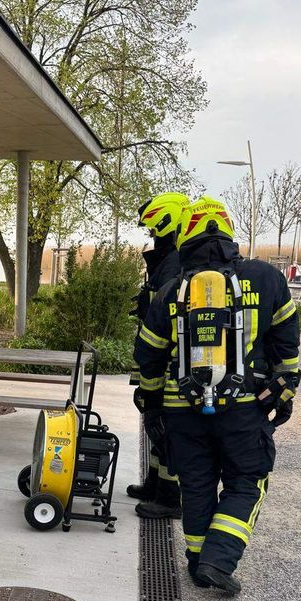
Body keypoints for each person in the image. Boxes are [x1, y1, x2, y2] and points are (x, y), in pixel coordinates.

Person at [134, 196, 300, 594]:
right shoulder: (266, 278)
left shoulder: (174, 289)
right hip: (245, 405)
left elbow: (148, 354)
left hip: (182, 408)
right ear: (229, 233)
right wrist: (286, 386)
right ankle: (217, 560)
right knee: (247, 480)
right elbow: (287, 339)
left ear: (186, 236)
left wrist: (153, 403)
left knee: (196, 483)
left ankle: (197, 562)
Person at [127, 192, 188, 520]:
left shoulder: (176, 261)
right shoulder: (169, 260)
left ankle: (169, 497)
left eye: (153, 232)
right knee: (153, 421)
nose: (151, 238)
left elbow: (167, 314)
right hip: (155, 355)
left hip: (166, 360)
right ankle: (154, 484)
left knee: (165, 423)